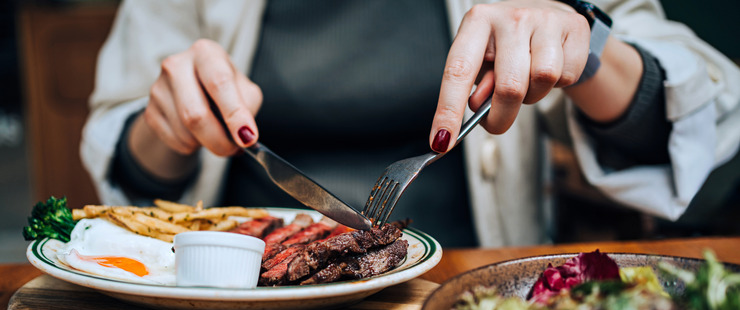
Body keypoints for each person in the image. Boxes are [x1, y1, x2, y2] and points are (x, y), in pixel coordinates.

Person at [81, 0, 740, 248]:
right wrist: (166, 126)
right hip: (234, 308)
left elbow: (710, 122)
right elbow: (125, 159)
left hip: (461, 306)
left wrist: (588, 48)